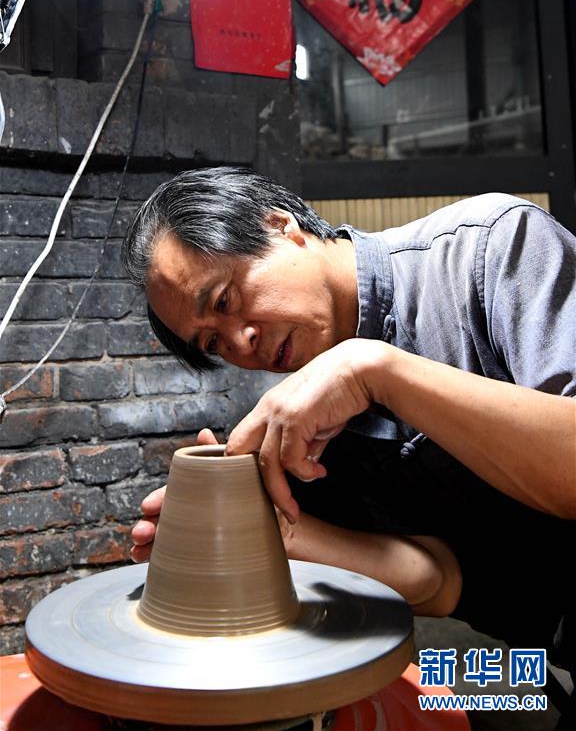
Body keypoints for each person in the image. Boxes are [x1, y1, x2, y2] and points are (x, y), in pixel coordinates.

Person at [122, 167, 575, 684]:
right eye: (213, 342)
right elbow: (442, 583)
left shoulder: (492, 248)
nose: (241, 343)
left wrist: (373, 372)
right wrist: (276, 532)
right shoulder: (305, 437)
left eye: (225, 300)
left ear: (280, 226)